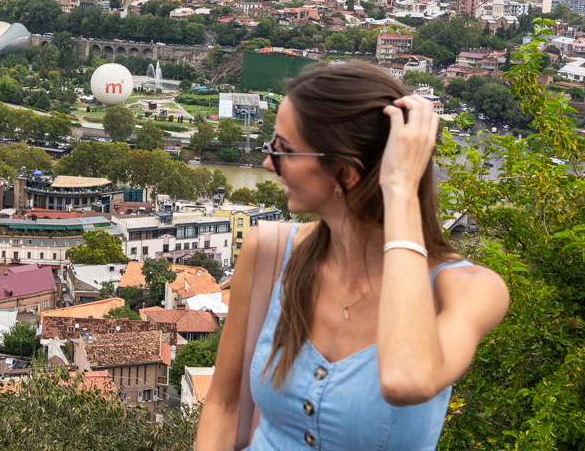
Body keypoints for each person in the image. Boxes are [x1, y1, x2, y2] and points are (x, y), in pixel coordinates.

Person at [196, 62, 509, 450]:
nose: (267, 164)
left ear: (346, 171)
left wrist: (399, 190)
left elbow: (406, 379)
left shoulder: (468, 290)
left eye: (284, 151)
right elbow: (225, 406)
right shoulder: (270, 252)